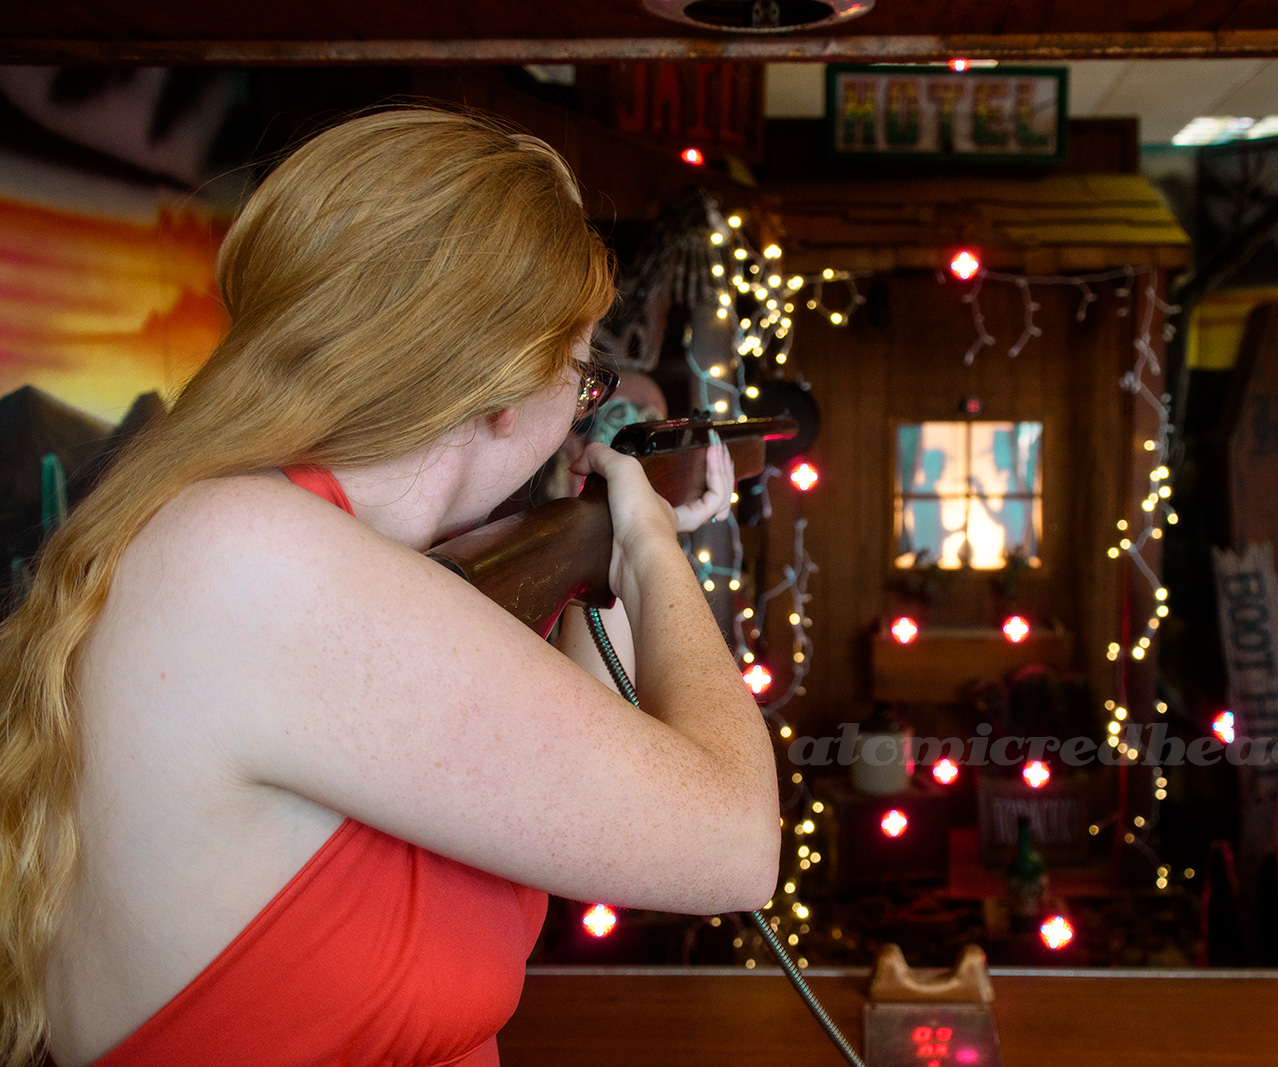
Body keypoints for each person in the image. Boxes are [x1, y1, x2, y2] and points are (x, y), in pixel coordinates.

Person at [0, 108, 780, 1066]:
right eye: (579, 374)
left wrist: (605, 552)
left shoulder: (277, 549)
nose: (578, 405)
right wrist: (654, 549)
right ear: (504, 385)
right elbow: (735, 842)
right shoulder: (253, 559)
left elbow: (590, 789)